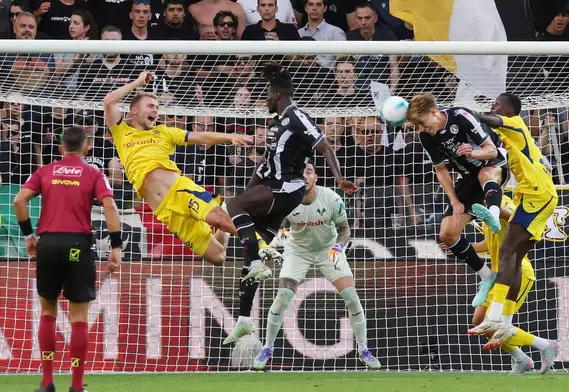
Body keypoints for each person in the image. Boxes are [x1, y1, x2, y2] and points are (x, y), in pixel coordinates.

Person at [222, 62, 357, 344]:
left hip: (287, 187)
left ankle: (259, 251)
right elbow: (265, 165)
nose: (265, 100)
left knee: (234, 207)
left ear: (278, 96)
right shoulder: (276, 123)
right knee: (249, 260)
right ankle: (244, 320)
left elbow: (324, 146)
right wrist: (248, 195)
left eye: (268, 95)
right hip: (272, 187)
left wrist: (340, 178)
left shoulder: (296, 115)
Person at [13, 126, 123, 392]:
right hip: (78, 244)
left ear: (61, 148)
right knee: (78, 316)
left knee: (48, 311)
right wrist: (116, 246)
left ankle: (48, 382)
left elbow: (19, 200)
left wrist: (29, 237)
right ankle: (75, 386)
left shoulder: (45, 171)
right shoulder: (94, 173)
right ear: (87, 149)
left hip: (48, 244)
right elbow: (110, 205)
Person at [103, 71, 253, 265]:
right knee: (218, 257)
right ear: (134, 110)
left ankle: (260, 244)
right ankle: (226, 213)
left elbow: (200, 137)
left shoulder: (164, 132)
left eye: (157, 107)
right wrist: (138, 82)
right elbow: (109, 101)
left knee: (219, 220)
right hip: (165, 210)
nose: (156, 111)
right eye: (150, 106)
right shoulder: (121, 132)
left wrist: (229, 137)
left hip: (178, 191)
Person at [252, 163, 380, 370]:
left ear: (316, 178)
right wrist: (271, 244)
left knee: (352, 299)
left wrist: (339, 247)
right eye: (300, 172)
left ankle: (364, 350)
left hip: (327, 251)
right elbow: (275, 227)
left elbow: (345, 229)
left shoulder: (331, 198)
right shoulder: (285, 199)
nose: (304, 176)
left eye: (308, 172)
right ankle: (267, 348)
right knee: (282, 298)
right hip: (297, 251)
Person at [468, 93, 558, 338]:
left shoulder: (516, 123)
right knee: (514, 257)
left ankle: (496, 315)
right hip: (534, 195)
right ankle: (505, 320)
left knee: (508, 251)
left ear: (509, 108)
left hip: (536, 193)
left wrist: (469, 115)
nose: (493, 106)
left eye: (497, 104)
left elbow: (490, 121)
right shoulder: (509, 136)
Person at [406, 93, 508, 307]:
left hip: (494, 165)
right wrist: (454, 200)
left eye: (422, 124)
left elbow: (491, 150)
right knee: (447, 234)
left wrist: (474, 152)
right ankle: (486, 275)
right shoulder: (426, 135)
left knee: (484, 175)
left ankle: (495, 215)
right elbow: (441, 170)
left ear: (434, 113)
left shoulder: (462, 116)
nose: (420, 129)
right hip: (468, 177)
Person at [444, 196, 557, 375]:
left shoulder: (501, 201)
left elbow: (513, 216)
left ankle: (546, 345)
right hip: (499, 273)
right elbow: (490, 243)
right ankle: (521, 359)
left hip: (517, 271)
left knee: (494, 324)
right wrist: (463, 247)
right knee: (479, 321)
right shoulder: (481, 208)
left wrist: (496, 213)